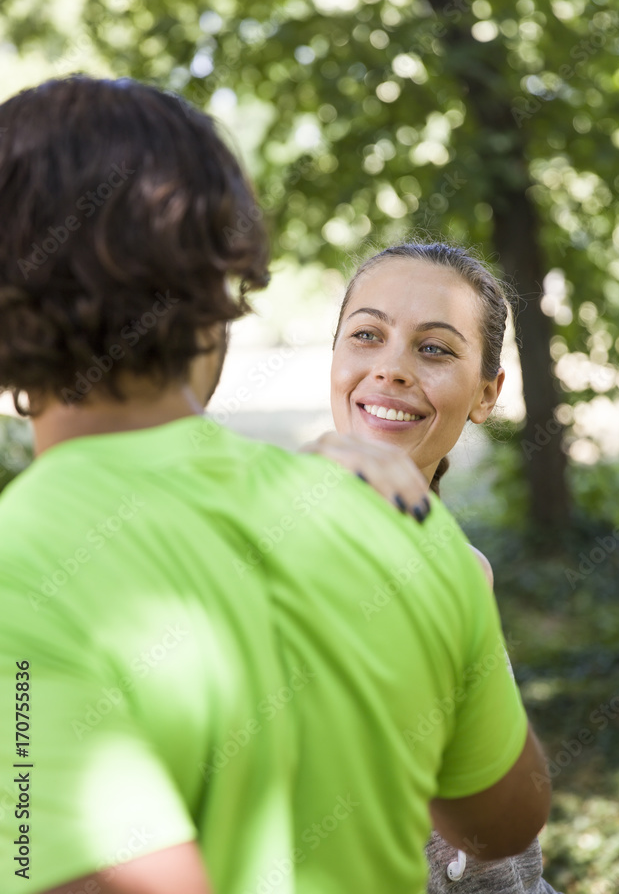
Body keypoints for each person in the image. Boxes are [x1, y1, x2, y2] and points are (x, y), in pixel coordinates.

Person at [0, 76, 550, 894]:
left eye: (434, 348)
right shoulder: (410, 530)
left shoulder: (20, 561)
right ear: (225, 299)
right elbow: (505, 822)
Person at [304, 241, 561, 892]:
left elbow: (503, 845)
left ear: (486, 393)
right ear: (334, 358)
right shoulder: (250, 551)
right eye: (366, 335)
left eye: (434, 348)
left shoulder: (462, 569)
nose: (390, 369)